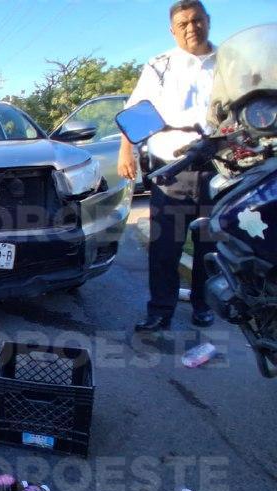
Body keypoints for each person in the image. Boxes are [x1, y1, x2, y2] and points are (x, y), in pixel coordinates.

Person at [118, 0, 218, 333]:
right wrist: (126, 151)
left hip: (219, 166)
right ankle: (160, 311)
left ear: (208, 20)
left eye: (197, 20)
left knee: (209, 243)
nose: (192, 28)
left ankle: (205, 305)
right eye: (184, 23)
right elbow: (135, 111)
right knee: (165, 247)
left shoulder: (229, 62)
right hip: (172, 168)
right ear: (172, 30)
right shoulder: (160, 65)